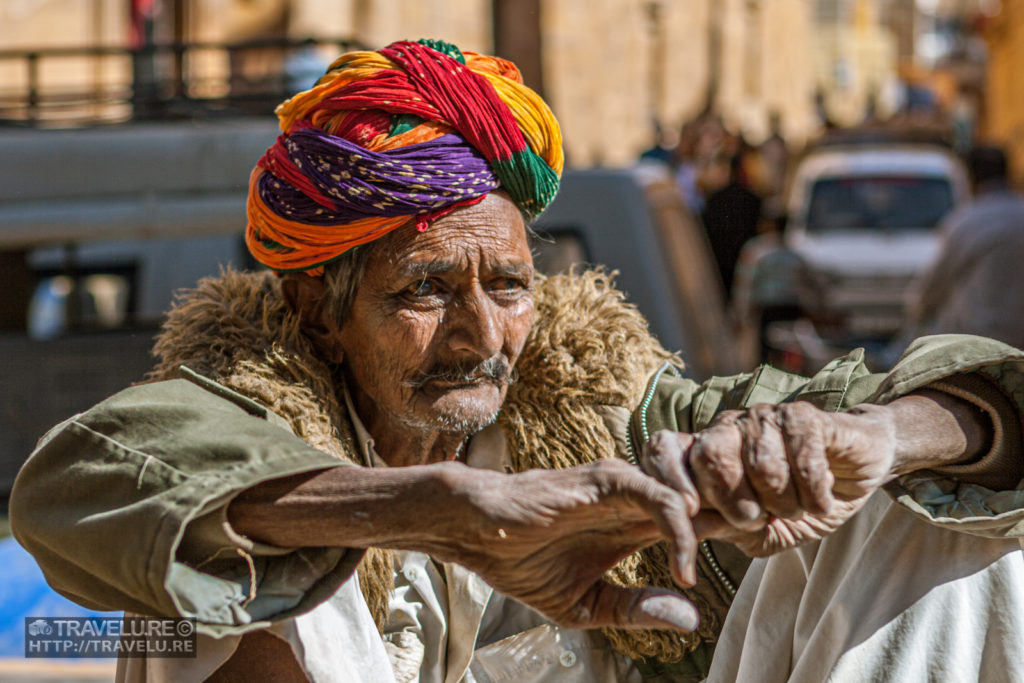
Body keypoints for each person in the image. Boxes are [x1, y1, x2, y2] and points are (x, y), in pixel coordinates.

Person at [10, 40, 1024, 683]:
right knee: (218, 585)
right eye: (424, 290)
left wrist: (878, 433)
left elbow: (983, 403)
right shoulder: (250, 402)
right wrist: (447, 508)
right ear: (318, 306)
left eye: (507, 285)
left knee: (935, 519)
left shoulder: (589, 403)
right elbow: (76, 483)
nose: (481, 334)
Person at [904, 144, 1024, 349]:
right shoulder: (1019, 212)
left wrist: (916, 307)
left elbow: (934, 285)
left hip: (977, 341)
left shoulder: (966, 221)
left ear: (970, 178)